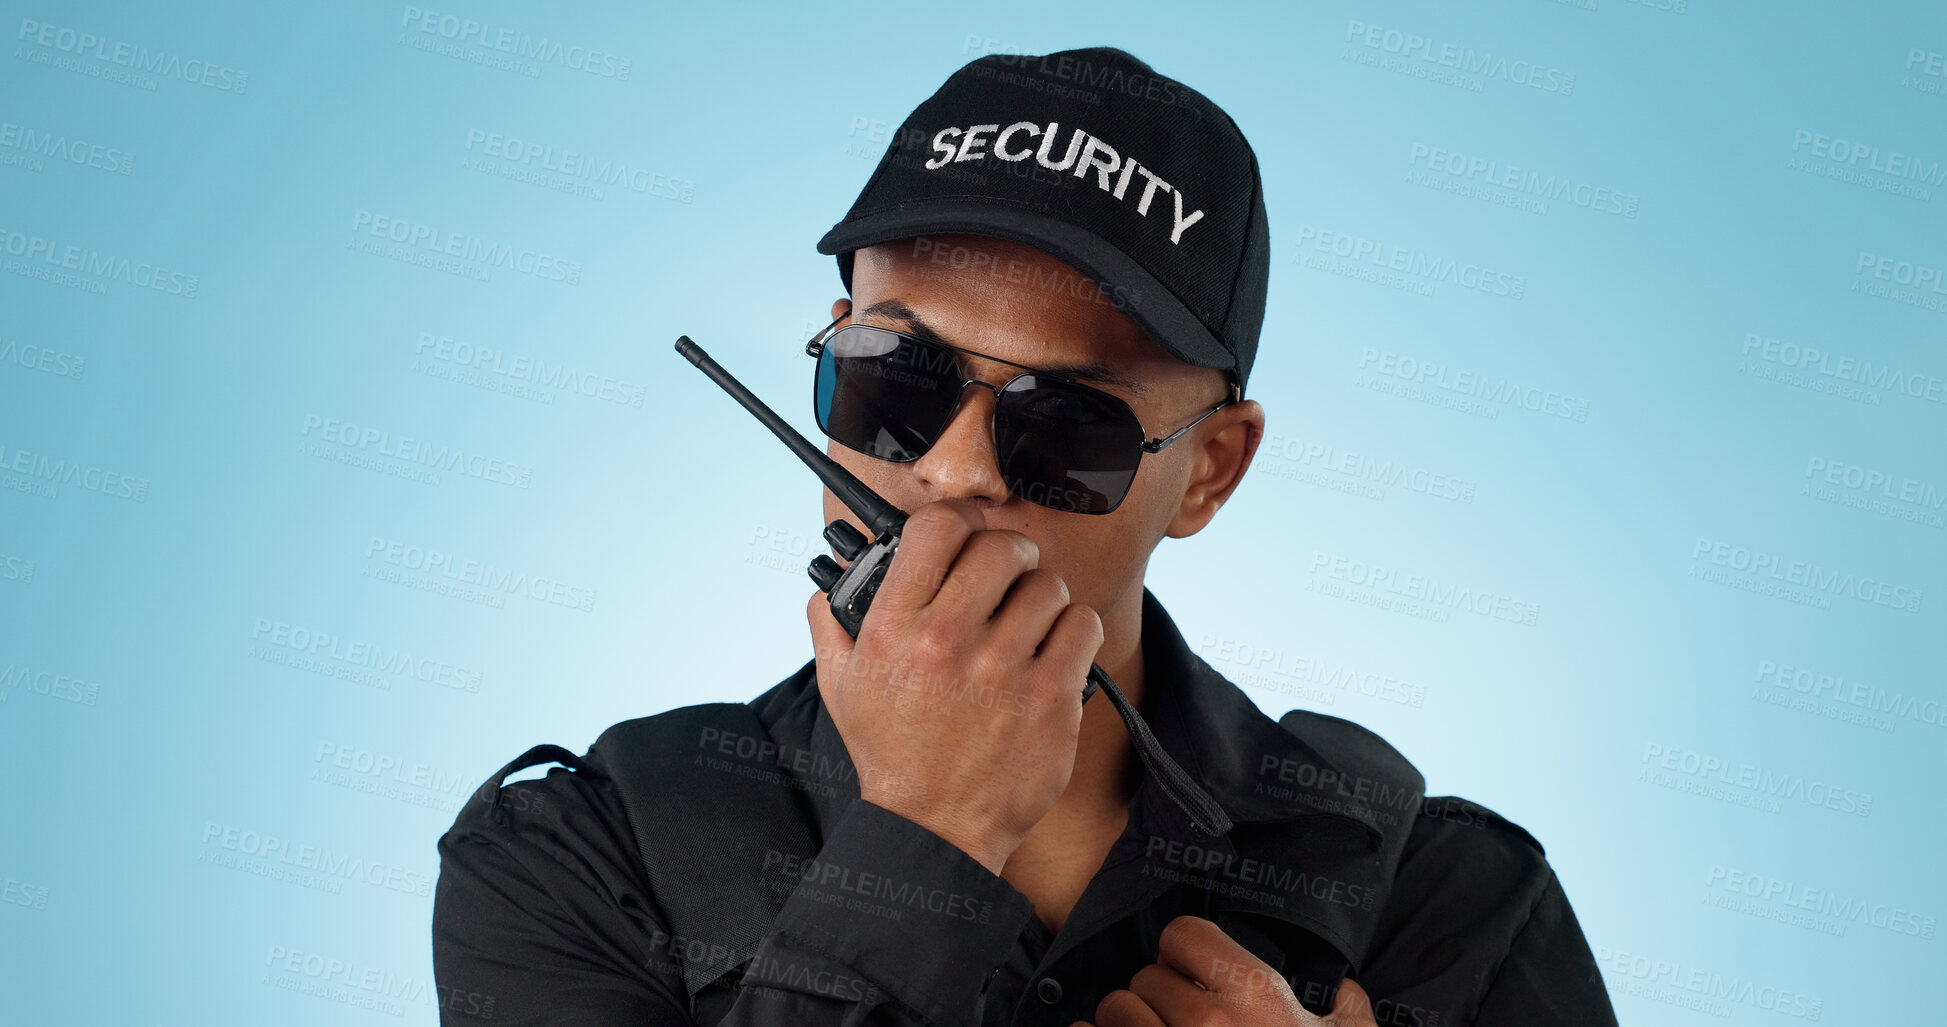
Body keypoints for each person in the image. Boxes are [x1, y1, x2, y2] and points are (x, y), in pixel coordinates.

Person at [431, 46, 1618, 1027]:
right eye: (893, 378)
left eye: (1068, 426)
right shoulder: (582, 859)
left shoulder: (1452, 905)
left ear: (1209, 470)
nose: (953, 470)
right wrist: (923, 836)